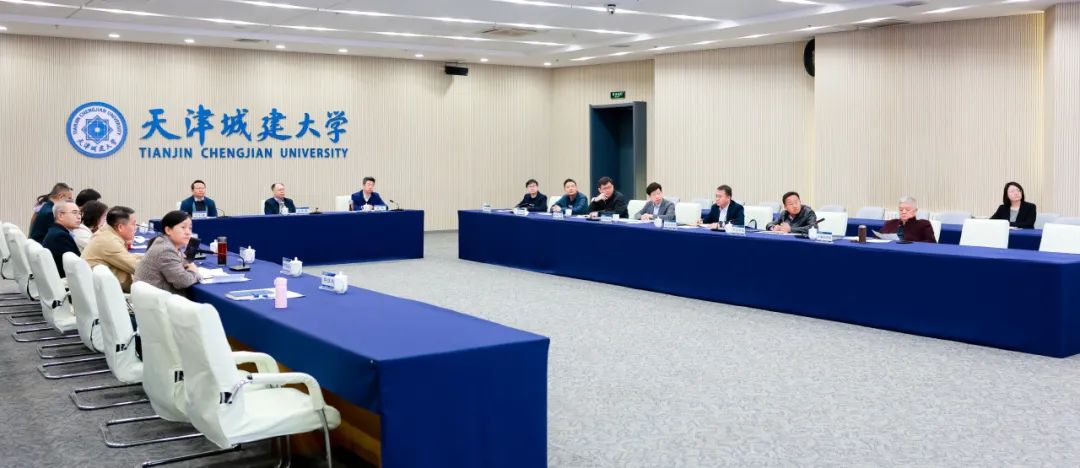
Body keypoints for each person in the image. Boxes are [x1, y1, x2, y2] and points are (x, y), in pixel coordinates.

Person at [133, 210, 200, 295]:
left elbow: (182, 265)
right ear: (168, 230)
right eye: (183, 227)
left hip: (150, 297)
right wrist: (194, 272)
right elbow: (182, 282)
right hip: (155, 301)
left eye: (190, 228)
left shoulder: (165, 242)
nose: (188, 232)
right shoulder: (166, 250)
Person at [83, 206, 141, 293]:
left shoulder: (106, 233)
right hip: (104, 293)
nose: (136, 228)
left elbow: (127, 257)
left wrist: (148, 257)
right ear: (120, 227)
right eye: (133, 224)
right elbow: (138, 268)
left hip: (98, 288)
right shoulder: (108, 241)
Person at [41, 200, 82, 278]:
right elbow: (76, 267)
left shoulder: (55, 231)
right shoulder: (60, 236)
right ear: (60, 216)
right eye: (74, 213)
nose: (79, 217)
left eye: (80, 213)